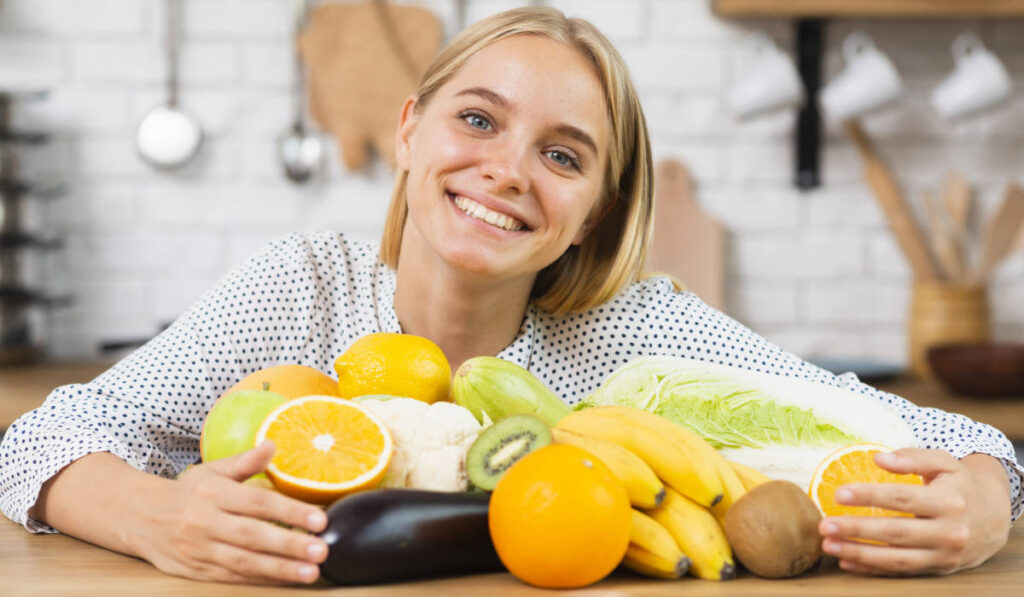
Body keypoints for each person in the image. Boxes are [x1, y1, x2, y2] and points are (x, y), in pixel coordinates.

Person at [0, 6, 1019, 585]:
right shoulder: (299, 288)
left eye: (562, 155)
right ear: (408, 132)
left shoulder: (636, 332)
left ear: (593, 212)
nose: (506, 172)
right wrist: (154, 517)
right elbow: (40, 440)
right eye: (477, 121)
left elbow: (936, 437)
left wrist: (980, 497)